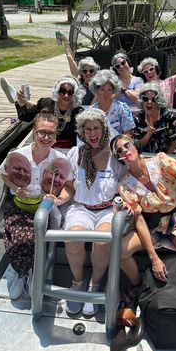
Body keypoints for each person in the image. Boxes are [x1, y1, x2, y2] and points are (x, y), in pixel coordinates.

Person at [110, 134, 176, 330]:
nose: (124, 150)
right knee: (120, 250)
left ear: (136, 146)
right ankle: (140, 285)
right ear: (119, 158)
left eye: (127, 145)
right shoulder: (125, 185)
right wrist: (154, 257)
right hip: (152, 227)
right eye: (119, 151)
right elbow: (139, 219)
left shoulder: (161, 160)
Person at [0, 112, 74, 300]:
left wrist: (58, 200)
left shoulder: (60, 160)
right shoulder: (17, 155)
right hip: (20, 206)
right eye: (42, 132)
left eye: (51, 133)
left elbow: (70, 188)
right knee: (20, 238)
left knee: (34, 236)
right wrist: (16, 188)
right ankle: (21, 271)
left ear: (56, 136)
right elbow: (4, 175)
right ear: (34, 131)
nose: (46, 137)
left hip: (46, 210)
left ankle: (33, 271)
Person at [64, 109, 129, 316]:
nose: (92, 133)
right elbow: (68, 185)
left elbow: (125, 183)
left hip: (108, 209)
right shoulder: (75, 153)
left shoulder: (115, 156)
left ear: (104, 129)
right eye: (88, 129)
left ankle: (95, 283)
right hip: (81, 208)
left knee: (101, 242)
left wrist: (126, 199)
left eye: (97, 128)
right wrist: (57, 198)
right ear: (82, 131)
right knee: (73, 239)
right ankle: (78, 281)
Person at [1, 76, 84, 147]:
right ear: (57, 91)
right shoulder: (46, 103)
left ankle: (15, 95)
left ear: (75, 94)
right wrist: (21, 104)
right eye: (62, 91)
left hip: (68, 151)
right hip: (43, 147)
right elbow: (25, 117)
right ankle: (17, 97)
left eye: (70, 92)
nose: (66, 95)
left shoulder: (78, 112)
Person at [132, 82, 176, 154]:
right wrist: (148, 134)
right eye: (145, 98)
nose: (149, 102)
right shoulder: (137, 119)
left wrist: (163, 161)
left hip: (167, 157)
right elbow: (138, 146)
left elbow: (173, 144)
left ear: (158, 101)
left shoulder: (170, 118)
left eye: (153, 99)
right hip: (145, 157)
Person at [89, 69, 135, 135]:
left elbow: (128, 135)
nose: (106, 93)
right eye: (103, 90)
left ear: (113, 91)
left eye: (109, 90)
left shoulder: (122, 109)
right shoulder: (91, 111)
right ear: (96, 90)